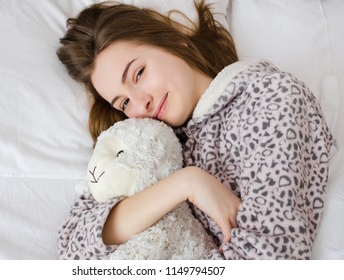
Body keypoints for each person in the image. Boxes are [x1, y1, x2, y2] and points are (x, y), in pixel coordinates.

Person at [56, 0, 333, 259]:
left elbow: (271, 257)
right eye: (124, 101)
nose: (141, 103)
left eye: (139, 73)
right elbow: (74, 246)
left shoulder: (271, 97)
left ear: (176, 42)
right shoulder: (149, 140)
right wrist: (185, 183)